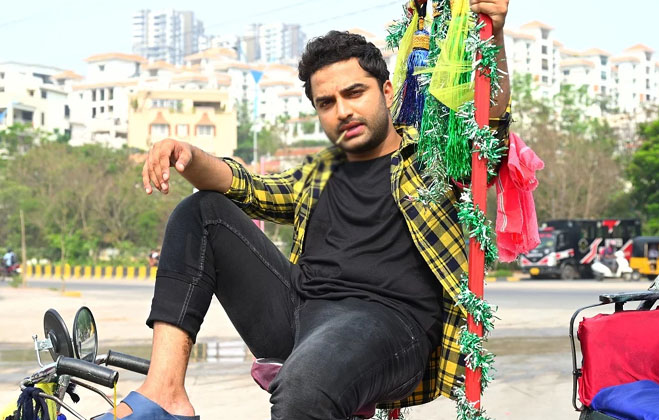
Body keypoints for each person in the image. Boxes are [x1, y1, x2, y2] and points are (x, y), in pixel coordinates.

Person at [113, 1, 512, 418]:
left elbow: (490, 128)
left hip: (389, 327)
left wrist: (497, 35)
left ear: (386, 91)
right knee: (203, 211)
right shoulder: (317, 175)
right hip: (300, 317)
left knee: (305, 387)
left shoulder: (431, 160)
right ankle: (165, 393)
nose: (343, 111)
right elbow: (247, 186)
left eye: (354, 93)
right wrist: (187, 154)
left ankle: (312, 376)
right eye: (327, 102)